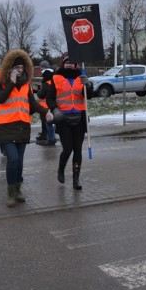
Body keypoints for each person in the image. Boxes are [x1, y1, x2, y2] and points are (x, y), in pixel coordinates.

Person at [0, 49, 47, 207]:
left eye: (22, 68)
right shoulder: (0, 82)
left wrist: (46, 113)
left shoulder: (26, 85)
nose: (19, 70)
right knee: (13, 158)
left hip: (22, 126)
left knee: (20, 161)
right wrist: (11, 82)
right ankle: (10, 193)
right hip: (5, 127)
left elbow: (34, 104)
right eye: (16, 68)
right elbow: (1, 98)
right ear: (9, 68)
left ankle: (17, 190)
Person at [44, 53, 93, 190]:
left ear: (76, 64)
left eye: (72, 62)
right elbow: (50, 98)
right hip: (64, 119)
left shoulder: (81, 77)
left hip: (79, 119)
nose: (69, 64)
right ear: (63, 64)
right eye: (67, 62)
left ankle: (76, 179)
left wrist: (88, 85)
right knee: (68, 149)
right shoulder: (56, 78)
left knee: (77, 150)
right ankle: (61, 169)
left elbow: (88, 96)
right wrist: (54, 109)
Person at [36, 60, 56, 146]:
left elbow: (42, 94)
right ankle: (48, 137)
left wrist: (38, 92)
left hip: (46, 106)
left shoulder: (46, 82)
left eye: (41, 68)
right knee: (48, 122)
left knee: (48, 123)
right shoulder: (53, 79)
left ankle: (51, 139)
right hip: (51, 105)